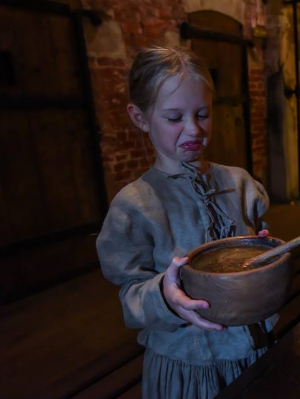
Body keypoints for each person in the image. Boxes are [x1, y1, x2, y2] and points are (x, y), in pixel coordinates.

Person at [96, 46, 275, 399]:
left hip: (253, 348)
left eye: (203, 114)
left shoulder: (240, 183)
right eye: (174, 117)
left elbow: (258, 248)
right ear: (141, 118)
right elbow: (131, 294)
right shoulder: (135, 205)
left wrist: (266, 256)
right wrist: (165, 295)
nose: (193, 129)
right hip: (188, 365)